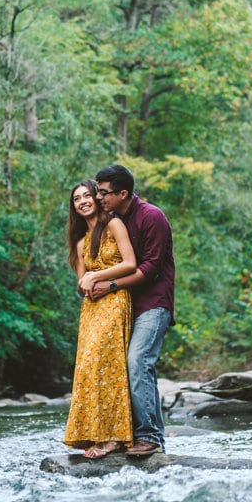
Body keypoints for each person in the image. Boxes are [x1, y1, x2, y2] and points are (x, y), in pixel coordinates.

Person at [85, 163, 175, 457]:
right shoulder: (112, 219)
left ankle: (149, 437)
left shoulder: (152, 217)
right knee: (119, 368)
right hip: (122, 309)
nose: (99, 197)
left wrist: (110, 285)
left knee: (138, 362)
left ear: (124, 193)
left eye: (105, 193)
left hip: (153, 305)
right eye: (98, 191)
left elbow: (149, 269)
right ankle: (135, 436)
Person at [62, 180, 138, 459]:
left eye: (86, 196)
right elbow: (82, 280)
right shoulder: (81, 241)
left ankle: (114, 437)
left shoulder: (115, 225)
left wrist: (97, 276)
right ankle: (91, 433)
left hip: (116, 301)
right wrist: (87, 282)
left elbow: (130, 263)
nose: (82, 201)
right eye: (76, 199)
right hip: (92, 308)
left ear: (95, 198)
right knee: (87, 368)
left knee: (109, 365)